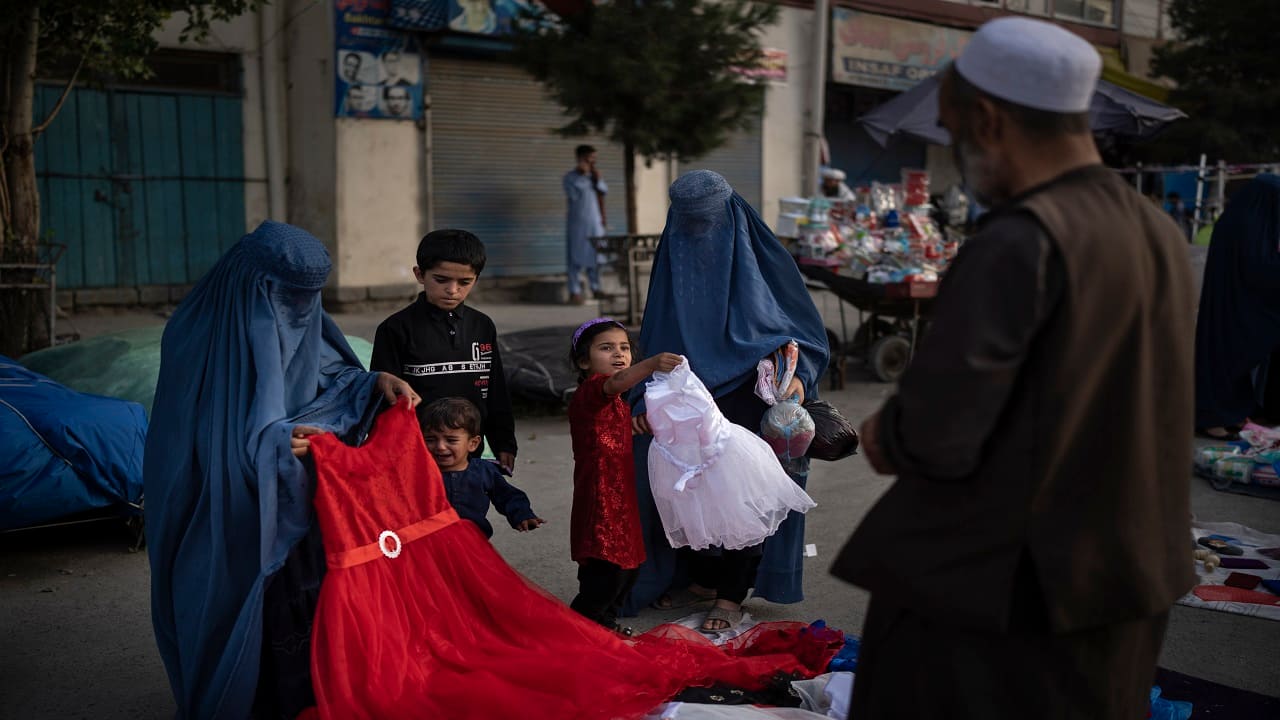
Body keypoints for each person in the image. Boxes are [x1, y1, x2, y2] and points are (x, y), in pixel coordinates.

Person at [830, 17, 1195, 719]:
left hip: (1005, 597)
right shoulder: (1156, 229)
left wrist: (884, 435)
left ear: (989, 121)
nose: (960, 155)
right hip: (1125, 578)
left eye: (954, 133)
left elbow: (934, 435)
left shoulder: (1020, 240)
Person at [144, 220, 421, 720]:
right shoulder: (195, 338)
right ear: (250, 286)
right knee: (228, 603)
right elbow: (195, 443)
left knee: (302, 615)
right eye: (285, 299)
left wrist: (376, 382)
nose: (296, 313)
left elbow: (331, 375)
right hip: (220, 507)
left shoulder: (304, 318)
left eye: (307, 300)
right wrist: (271, 444)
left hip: (298, 503)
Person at [625, 170, 829, 632]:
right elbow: (656, 331)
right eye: (689, 224)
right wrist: (640, 395)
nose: (699, 235)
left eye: (708, 224)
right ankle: (700, 577)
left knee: (741, 494)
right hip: (683, 397)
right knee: (682, 489)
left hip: (748, 395)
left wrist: (800, 378)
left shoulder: (763, 258)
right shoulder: (673, 256)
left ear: (732, 215)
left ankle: (732, 594)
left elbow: (805, 332)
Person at [371, 229, 519, 475]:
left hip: (468, 455)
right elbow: (384, 399)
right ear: (420, 274)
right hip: (415, 454)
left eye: (464, 282)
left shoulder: (482, 326)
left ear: (476, 279)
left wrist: (504, 442)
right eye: (441, 280)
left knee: (467, 510)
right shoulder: (394, 329)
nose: (453, 290)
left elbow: (495, 391)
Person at [567, 317, 682, 631]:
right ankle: (581, 628)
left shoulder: (615, 402)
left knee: (629, 568)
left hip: (621, 497)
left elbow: (604, 431)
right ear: (583, 361)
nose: (619, 354)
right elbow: (615, 384)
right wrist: (651, 364)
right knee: (606, 568)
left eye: (624, 348)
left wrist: (632, 426)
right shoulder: (594, 389)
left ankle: (605, 626)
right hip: (601, 498)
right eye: (606, 348)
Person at [1195, 175, 1280, 439]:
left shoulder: (1239, 221)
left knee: (1228, 365)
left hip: (1231, 308)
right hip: (1237, 311)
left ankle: (1231, 415)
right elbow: (1260, 271)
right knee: (1226, 365)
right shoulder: (1249, 227)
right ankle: (1213, 420)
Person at [421, 396, 543, 538]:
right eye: (430, 439)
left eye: (451, 440)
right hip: (429, 544)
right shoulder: (419, 473)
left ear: (473, 443)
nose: (440, 447)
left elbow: (508, 496)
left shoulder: (483, 471)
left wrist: (522, 515)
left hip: (473, 543)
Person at [564, 144, 608, 305]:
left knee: (596, 256)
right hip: (577, 223)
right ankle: (574, 291)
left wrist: (595, 178)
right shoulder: (570, 177)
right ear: (581, 158)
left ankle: (596, 288)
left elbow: (603, 192)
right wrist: (582, 175)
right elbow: (573, 196)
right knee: (575, 256)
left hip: (595, 223)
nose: (593, 161)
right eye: (590, 157)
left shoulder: (595, 176)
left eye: (594, 158)